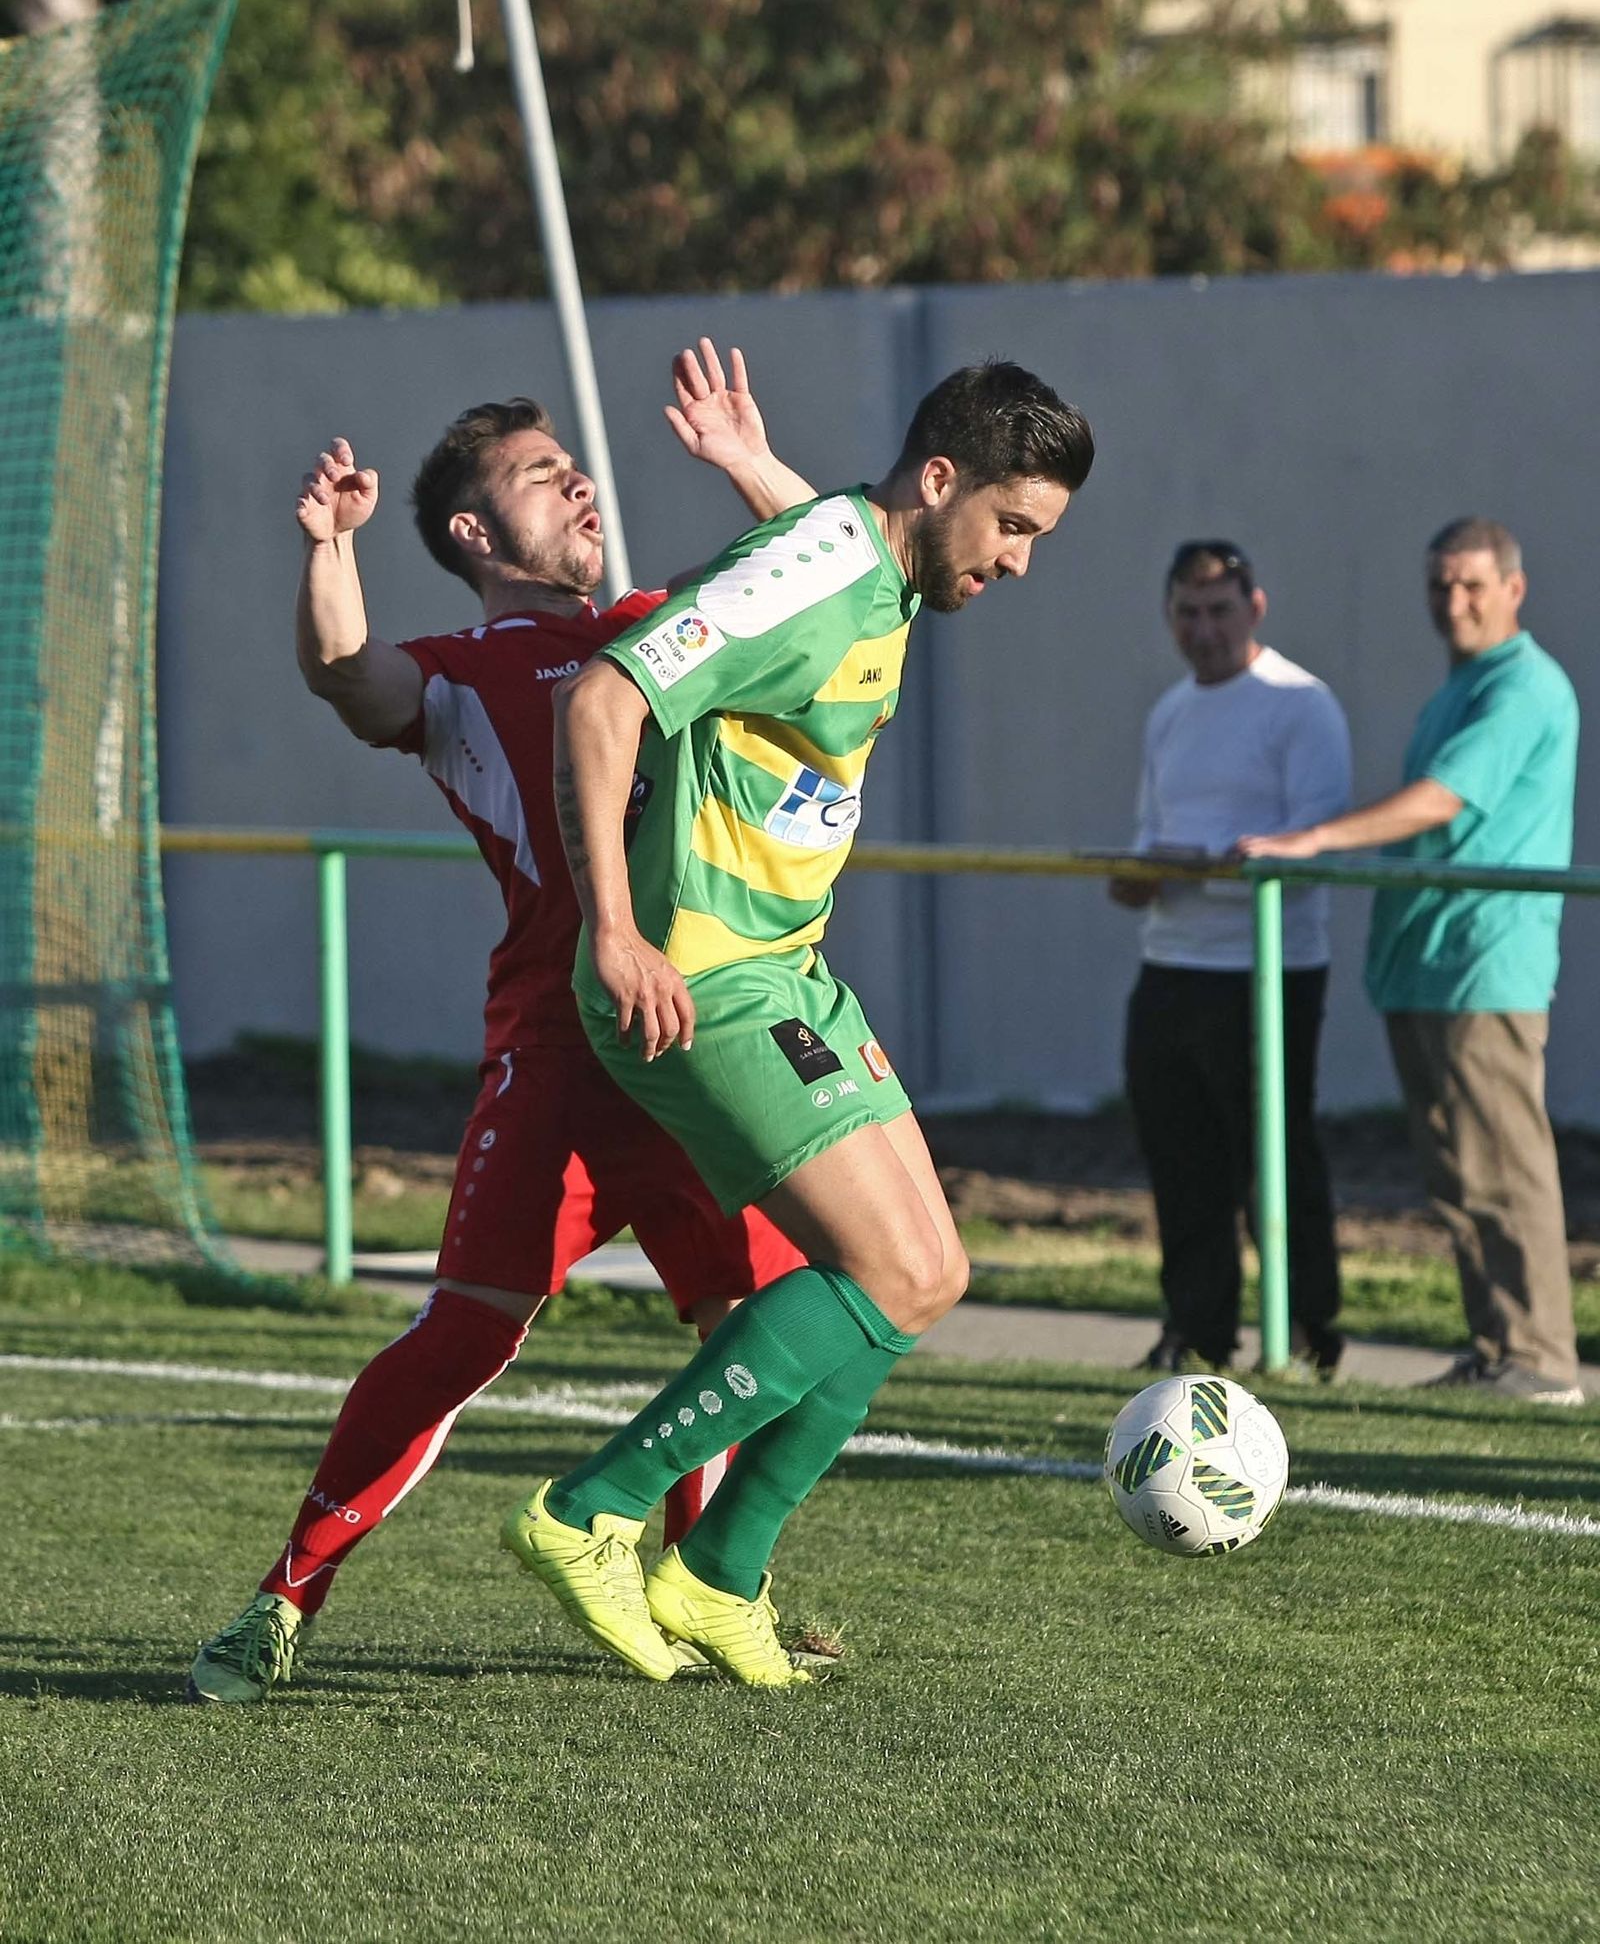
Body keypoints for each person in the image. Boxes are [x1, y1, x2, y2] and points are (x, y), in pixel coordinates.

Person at [188, 342, 824, 1706]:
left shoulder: (661, 625)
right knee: (466, 1334)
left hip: (698, 1049)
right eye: (545, 475)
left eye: (576, 466)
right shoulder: (465, 672)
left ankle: (710, 1586)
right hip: (562, 1060)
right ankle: (282, 1599)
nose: (580, 483)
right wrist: (328, 547)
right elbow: (347, 674)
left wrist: (746, 463)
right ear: (478, 531)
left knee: (764, 1317)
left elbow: (831, 579)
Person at [501, 361, 1095, 1688]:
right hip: (703, 975)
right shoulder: (832, 567)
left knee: (927, 1273)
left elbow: (841, 548)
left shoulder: (874, 552)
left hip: (787, 969)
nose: (1018, 563)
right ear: (941, 482)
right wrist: (615, 928)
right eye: (1015, 527)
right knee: (885, 1272)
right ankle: (591, 1509)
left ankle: (715, 1573)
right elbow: (602, 697)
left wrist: (755, 472)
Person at [1241, 517, 1582, 1406]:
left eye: (1471, 584)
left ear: (1515, 587)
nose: (1453, 602)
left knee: (1504, 1165)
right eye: (1440, 585)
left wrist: (1311, 841)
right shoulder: (1461, 687)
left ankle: (1541, 1359)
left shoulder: (1525, 687)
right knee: (1460, 1170)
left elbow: (1439, 801)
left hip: (1484, 965)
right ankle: (1497, 1348)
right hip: (1427, 961)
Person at [1112, 540, 1352, 1378]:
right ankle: (1197, 1332)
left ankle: (1311, 1332)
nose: (1203, 629)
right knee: (1180, 1160)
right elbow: (1148, 846)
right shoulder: (1170, 711)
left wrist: (1196, 866)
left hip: (1268, 969)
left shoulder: (1300, 704)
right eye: (1187, 611)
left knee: (1275, 1156)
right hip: (1170, 966)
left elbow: (1310, 850)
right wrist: (1143, 877)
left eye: (1219, 609)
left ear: (1255, 607)